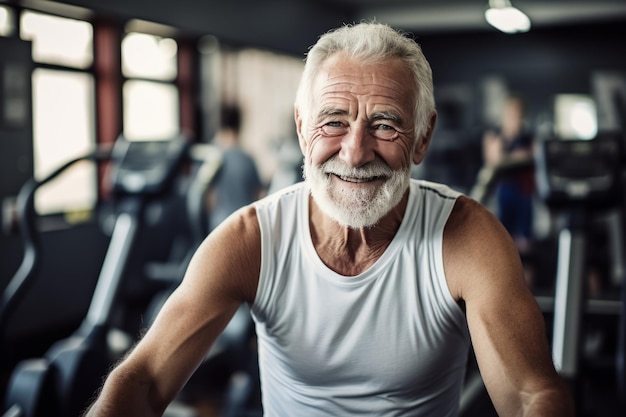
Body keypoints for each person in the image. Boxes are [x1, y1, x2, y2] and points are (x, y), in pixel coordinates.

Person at [84, 22, 573, 416]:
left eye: (385, 124)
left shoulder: (465, 237)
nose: (356, 153)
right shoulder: (251, 240)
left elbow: (532, 394)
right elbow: (144, 381)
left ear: (422, 137)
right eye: (333, 120)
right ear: (302, 128)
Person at [482, 94, 536, 255]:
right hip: (502, 192)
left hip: (523, 192)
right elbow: (494, 159)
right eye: (512, 115)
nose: (516, 119)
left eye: (519, 115)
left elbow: (533, 155)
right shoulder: (495, 136)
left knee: (525, 244)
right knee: (503, 242)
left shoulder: (528, 137)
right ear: (505, 115)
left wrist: (512, 157)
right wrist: (518, 156)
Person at [207, 105, 265, 232]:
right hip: (245, 227)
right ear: (239, 126)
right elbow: (259, 196)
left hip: (218, 229)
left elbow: (208, 200)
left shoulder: (210, 157)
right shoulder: (247, 159)